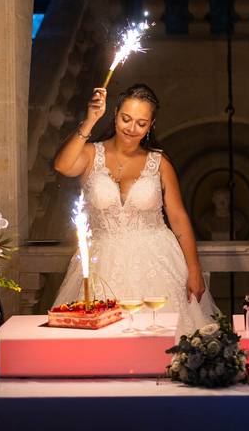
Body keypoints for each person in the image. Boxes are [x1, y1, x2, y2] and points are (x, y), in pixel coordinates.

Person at [53, 83, 216, 335]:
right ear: (115, 113)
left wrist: (194, 269)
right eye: (126, 119)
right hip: (102, 262)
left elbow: (178, 217)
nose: (131, 128)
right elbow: (63, 166)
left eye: (141, 123)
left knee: (166, 338)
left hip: (158, 260)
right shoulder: (89, 153)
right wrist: (89, 121)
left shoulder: (159, 162)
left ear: (151, 124)